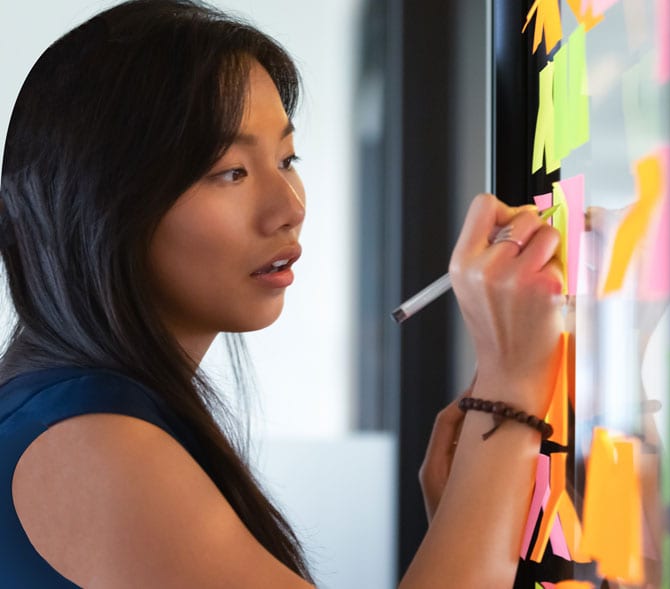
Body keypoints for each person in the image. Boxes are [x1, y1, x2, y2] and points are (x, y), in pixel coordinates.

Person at [0, 0, 564, 586]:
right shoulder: (92, 446)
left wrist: (469, 508)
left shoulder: (66, 416)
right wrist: (510, 379)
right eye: (230, 171)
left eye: (286, 159)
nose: (289, 208)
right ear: (101, 203)